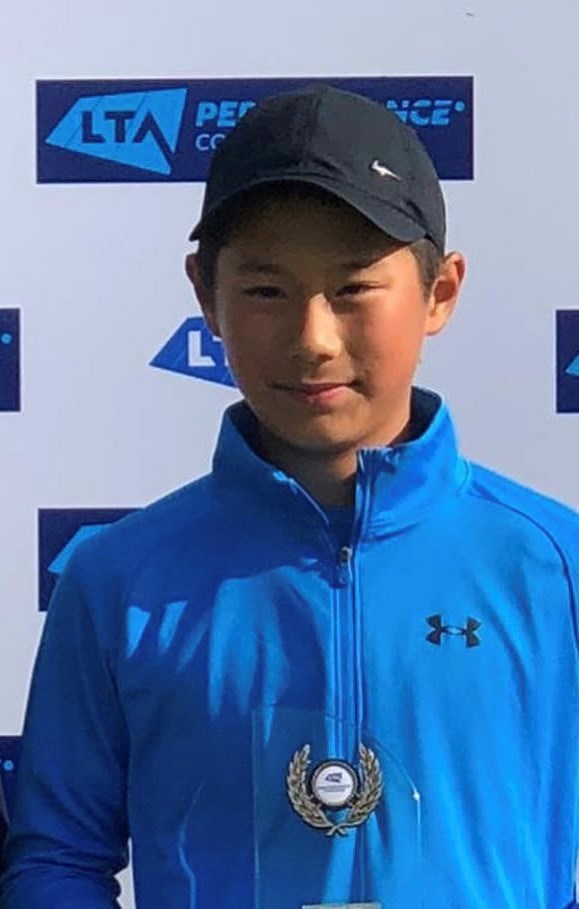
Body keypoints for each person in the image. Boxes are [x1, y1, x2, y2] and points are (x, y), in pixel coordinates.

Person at [1, 83, 578, 909]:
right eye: (267, 290)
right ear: (206, 294)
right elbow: (56, 861)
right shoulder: (117, 578)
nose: (313, 338)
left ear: (439, 292)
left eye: (352, 289)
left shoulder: (553, 564)